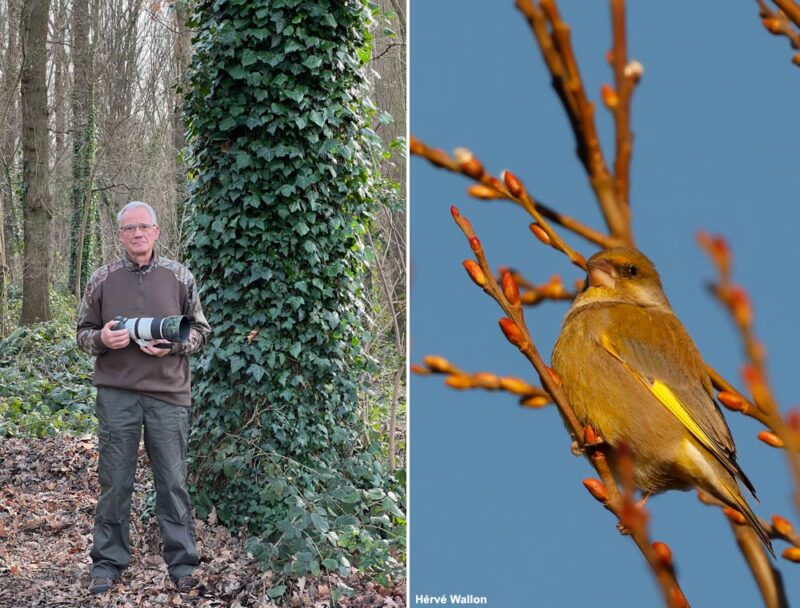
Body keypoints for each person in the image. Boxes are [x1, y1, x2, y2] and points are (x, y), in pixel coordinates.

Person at [76, 201, 211, 594]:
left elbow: (201, 331)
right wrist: (101, 338)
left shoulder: (179, 276)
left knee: (172, 481)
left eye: (144, 227)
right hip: (117, 394)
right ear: (120, 235)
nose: (137, 234)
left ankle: (182, 562)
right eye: (129, 228)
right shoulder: (102, 278)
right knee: (115, 481)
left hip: (168, 394)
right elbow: (82, 333)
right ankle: (106, 562)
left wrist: (173, 347)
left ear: (156, 231)